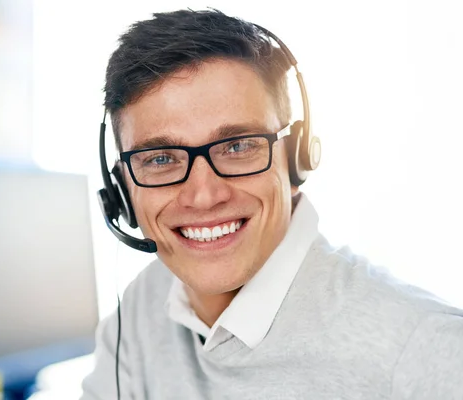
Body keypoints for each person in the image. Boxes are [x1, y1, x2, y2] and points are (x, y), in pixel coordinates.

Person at [81, 9, 463, 400]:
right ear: (121, 189)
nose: (204, 195)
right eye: (161, 158)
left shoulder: (428, 350)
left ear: (296, 158)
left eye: (238, 146)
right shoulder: (142, 307)